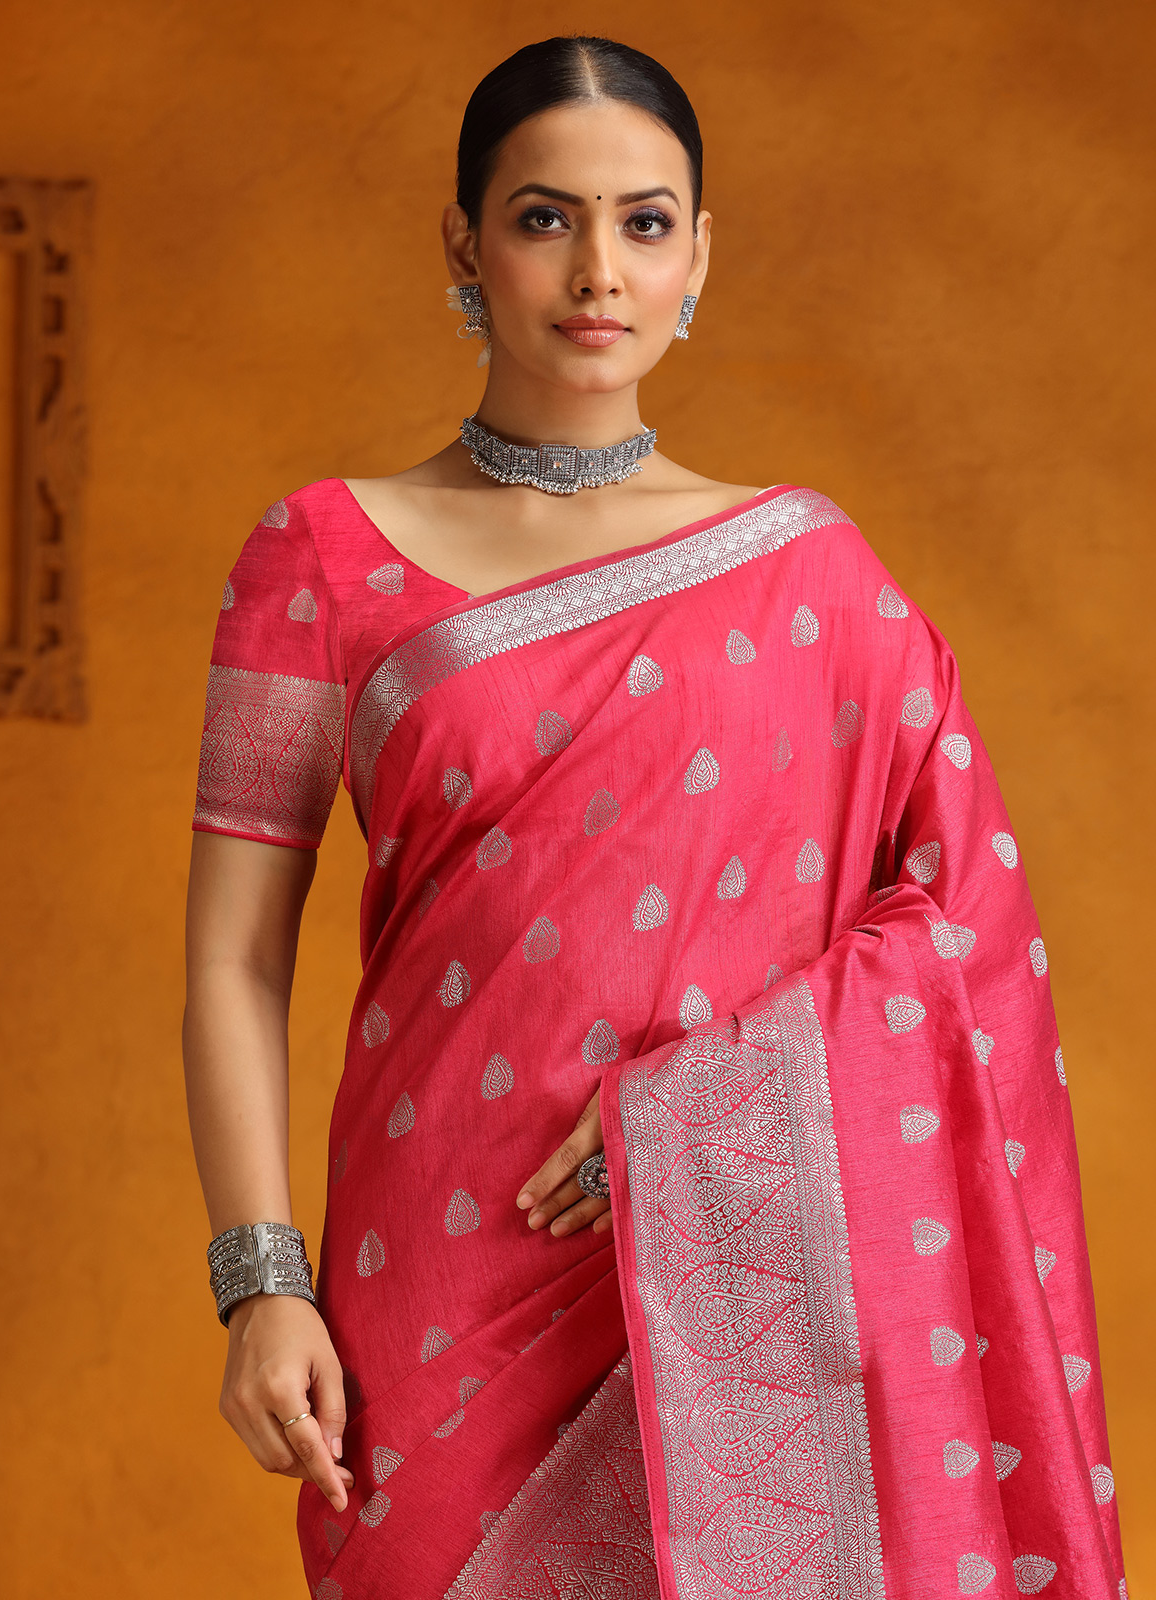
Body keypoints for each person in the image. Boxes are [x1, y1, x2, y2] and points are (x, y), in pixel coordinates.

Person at [182, 35, 1126, 1600]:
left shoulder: (816, 574)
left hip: (738, 1256)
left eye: (644, 222)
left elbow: (962, 927)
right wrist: (259, 1283)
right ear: (464, 243)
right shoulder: (322, 559)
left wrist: (699, 1119)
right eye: (544, 218)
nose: (597, 272)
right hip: (436, 1273)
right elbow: (235, 960)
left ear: (699, 253)